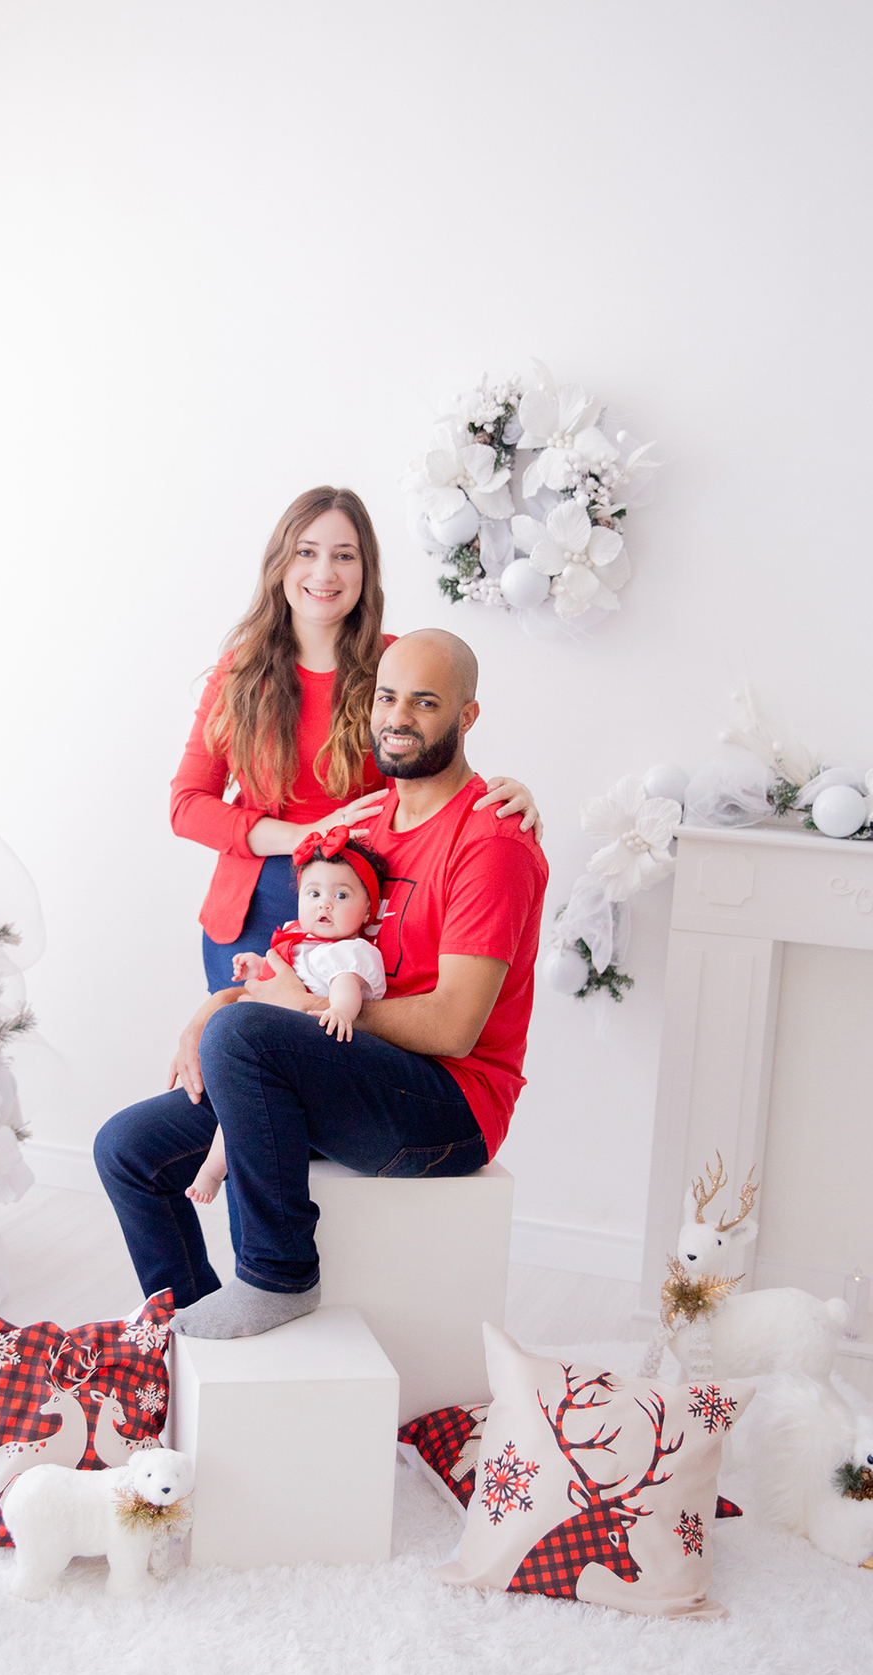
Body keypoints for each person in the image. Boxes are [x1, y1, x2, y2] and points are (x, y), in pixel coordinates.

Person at [95, 628, 549, 1338]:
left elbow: (455, 1028)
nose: (398, 717)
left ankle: (277, 1278)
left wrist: (300, 1012)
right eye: (388, 696)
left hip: (447, 1106)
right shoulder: (369, 822)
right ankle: (182, 1335)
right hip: (352, 1074)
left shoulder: (491, 841)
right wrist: (215, 1006)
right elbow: (302, 950)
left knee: (248, 1037)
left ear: (466, 718)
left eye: (425, 703)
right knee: (128, 1149)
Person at [169, 486, 540, 991]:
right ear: (280, 564)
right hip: (252, 911)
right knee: (241, 1056)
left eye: (344, 556)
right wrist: (308, 835)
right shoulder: (237, 674)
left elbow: (435, 764)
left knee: (335, 1059)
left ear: (365, 573)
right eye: (306, 552)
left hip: (361, 910)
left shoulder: (394, 664)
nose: (325, 573)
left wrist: (505, 794)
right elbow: (188, 806)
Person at [185, 829, 391, 1207]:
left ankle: (218, 1171)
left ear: (367, 910)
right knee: (234, 1111)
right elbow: (279, 976)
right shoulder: (298, 942)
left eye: (340, 895)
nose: (324, 905)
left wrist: (339, 1010)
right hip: (267, 1051)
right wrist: (255, 966)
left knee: (246, 1107)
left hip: (309, 1051)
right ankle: (215, 1170)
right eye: (314, 895)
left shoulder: (349, 952)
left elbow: (345, 986)